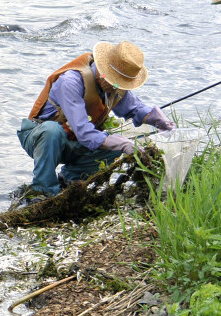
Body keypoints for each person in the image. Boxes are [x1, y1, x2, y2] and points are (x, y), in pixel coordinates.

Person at [16, 40, 175, 204]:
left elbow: (135, 108)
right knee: (52, 131)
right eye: (115, 82)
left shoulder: (114, 87)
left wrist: (160, 120)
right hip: (40, 139)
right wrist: (122, 144)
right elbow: (84, 133)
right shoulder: (70, 82)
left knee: (112, 148)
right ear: (101, 70)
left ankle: (71, 181)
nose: (117, 88)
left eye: (122, 84)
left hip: (73, 142)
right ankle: (44, 191)